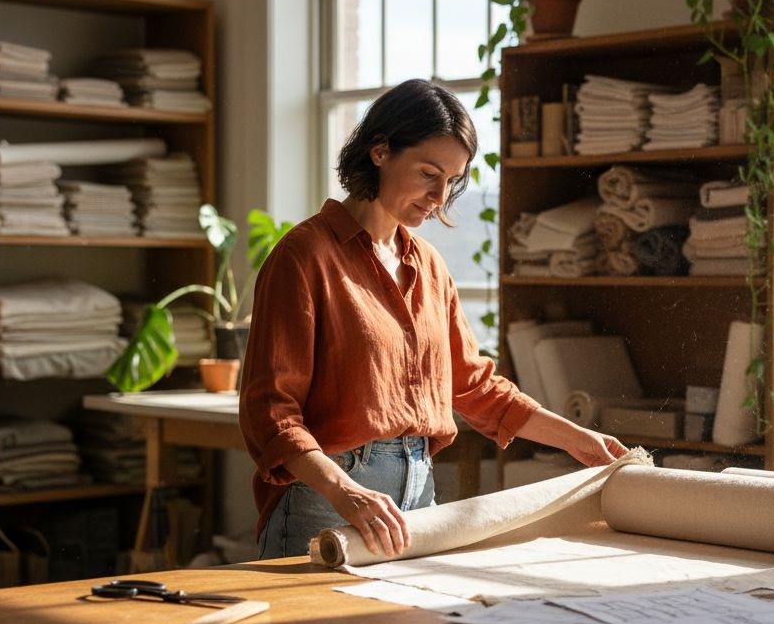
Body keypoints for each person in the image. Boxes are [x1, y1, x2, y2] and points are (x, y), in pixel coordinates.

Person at [240, 79, 628, 560]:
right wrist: (347, 492)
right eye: (428, 173)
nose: (440, 195)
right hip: (327, 502)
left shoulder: (428, 265)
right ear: (380, 151)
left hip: (418, 498)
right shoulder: (304, 256)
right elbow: (271, 414)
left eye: (452, 180)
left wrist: (580, 440)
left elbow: (473, 386)